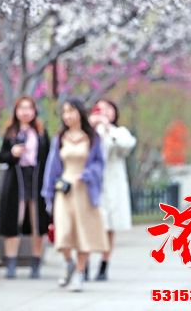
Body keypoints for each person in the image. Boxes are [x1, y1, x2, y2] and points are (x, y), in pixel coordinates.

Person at [42, 97, 109, 293]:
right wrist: (49, 191)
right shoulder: (59, 138)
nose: (67, 116)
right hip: (64, 190)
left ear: (80, 112)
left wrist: (88, 174)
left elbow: (99, 164)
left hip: (85, 190)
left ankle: (80, 273)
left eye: (71, 111)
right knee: (62, 234)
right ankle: (68, 262)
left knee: (83, 234)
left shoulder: (93, 138)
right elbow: (52, 167)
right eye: (64, 112)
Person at [0, 96, 50, 279]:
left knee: (38, 223)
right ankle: (10, 263)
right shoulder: (10, 132)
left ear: (35, 111)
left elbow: (49, 159)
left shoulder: (41, 133)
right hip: (16, 182)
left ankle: (36, 263)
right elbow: (1, 157)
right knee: (14, 221)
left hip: (37, 181)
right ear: (16, 111)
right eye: (22, 108)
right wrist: (12, 154)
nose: (25, 112)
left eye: (29, 108)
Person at [89, 98, 137, 280]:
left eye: (108, 109)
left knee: (109, 226)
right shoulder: (90, 132)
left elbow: (125, 145)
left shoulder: (119, 132)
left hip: (112, 184)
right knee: (90, 224)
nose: (104, 113)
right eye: (100, 109)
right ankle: (84, 263)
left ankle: (103, 264)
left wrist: (108, 128)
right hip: (93, 183)